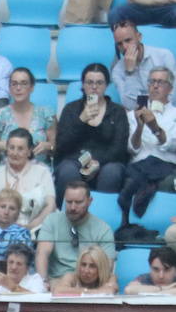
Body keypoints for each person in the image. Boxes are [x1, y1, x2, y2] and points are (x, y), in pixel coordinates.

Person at [55, 63, 130, 195]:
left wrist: (98, 163)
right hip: (75, 160)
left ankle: (103, 214)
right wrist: (81, 120)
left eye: (99, 83)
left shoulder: (117, 111)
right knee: (67, 171)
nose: (94, 87)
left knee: (112, 172)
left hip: (107, 162)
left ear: (106, 85)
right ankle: (68, 212)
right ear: (83, 85)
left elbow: (119, 148)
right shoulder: (70, 109)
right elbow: (61, 144)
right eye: (89, 82)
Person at [119, 66, 176, 221]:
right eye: (152, 82)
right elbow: (132, 149)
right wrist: (140, 126)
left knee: (165, 182)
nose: (155, 86)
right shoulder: (133, 115)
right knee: (127, 177)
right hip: (139, 165)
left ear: (170, 88)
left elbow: (173, 145)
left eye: (161, 82)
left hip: (167, 166)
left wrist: (155, 128)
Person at [36, 181, 117, 285]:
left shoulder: (103, 229)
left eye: (78, 202)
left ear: (89, 201)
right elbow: (42, 253)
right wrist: (43, 282)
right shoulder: (52, 221)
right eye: (69, 202)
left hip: (88, 284)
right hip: (54, 283)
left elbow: (107, 267)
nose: (73, 207)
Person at [0, 128, 56, 233]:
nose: (15, 153)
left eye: (20, 149)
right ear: (6, 149)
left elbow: (51, 206)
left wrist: (29, 227)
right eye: (11, 148)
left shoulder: (43, 172)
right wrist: (5, 227)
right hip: (3, 229)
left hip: (37, 229)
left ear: (29, 151)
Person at [0, 68, 57, 164]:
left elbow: (57, 148)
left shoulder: (46, 114)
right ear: (9, 88)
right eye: (14, 84)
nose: (18, 88)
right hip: (6, 171)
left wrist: (49, 147)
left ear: (32, 87)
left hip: (39, 171)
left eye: (24, 83)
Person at [110, 20, 175, 111]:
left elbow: (172, 97)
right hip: (137, 120)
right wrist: (130, 72)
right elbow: (129, 106)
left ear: (139, 37)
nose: (124, 47)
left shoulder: (164, 56)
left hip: (166, 116)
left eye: (128, 40)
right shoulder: (117, 70)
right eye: (120, 44)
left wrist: (151, 111)